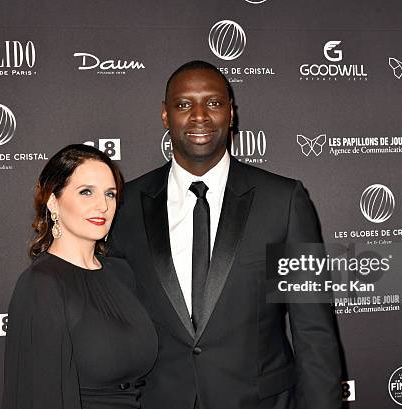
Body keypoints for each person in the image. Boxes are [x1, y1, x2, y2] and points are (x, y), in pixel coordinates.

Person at [109, 61, 342, 409]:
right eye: (184, 104)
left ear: (231, 113)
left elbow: (314, 333)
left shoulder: (283, 201)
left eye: (214, 103)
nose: (199, 115)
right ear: (165, 115)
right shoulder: (124, 206)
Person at [2, 144, 157, 409]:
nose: (103, 206)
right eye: (86, 192)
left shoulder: (121, 273)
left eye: (110, 194)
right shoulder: (42, 285)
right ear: (53, 201)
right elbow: (39, 396)